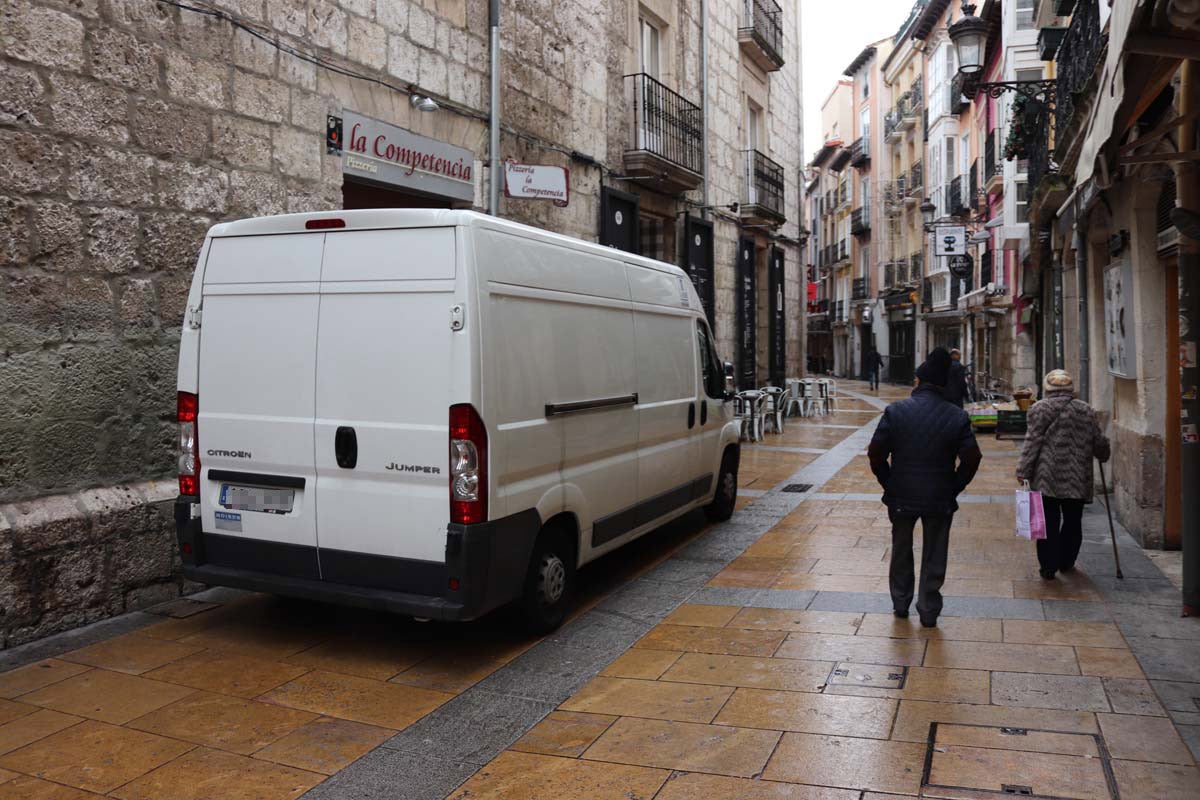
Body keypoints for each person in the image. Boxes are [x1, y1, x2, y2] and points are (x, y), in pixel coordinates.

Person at [868, 347, 982, 627]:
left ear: (918, 381)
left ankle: (900, 602)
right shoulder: (956, 416)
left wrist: (889, 482)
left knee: (901, 548)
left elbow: (876, 453)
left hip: (901, 494)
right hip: (939, 495)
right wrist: (954, 485)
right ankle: (929, 609)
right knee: (935, 551)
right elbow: (972, 457)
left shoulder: (896, 411)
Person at [1016, 370, 1111, 579]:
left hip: (1047, 475)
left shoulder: (1039, 408)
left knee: (1048, 522)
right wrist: (1104, 452)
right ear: (1070, 388)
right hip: (1077, 476)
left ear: (1047, 388)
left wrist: (1023, 470)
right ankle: (1067, 562)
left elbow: (1032, 441)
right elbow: (1098, 442)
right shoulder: (1085, 410)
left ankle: (1048, 567)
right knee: (1073, 521)